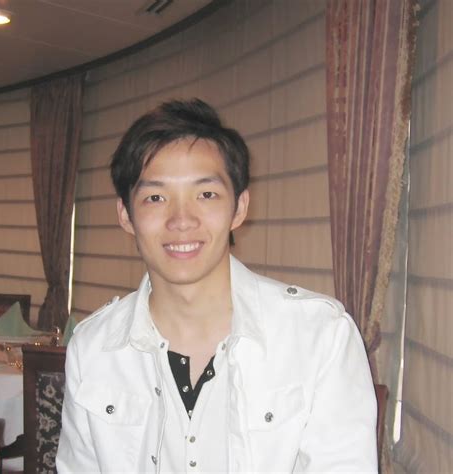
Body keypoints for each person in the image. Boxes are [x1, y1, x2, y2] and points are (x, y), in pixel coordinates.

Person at [56, 99, 377, 473]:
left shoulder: (319, 337)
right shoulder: (93, 349)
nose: (181, 220)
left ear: (239, 208)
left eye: (206, 194)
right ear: (126, 215)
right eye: (155, 197)